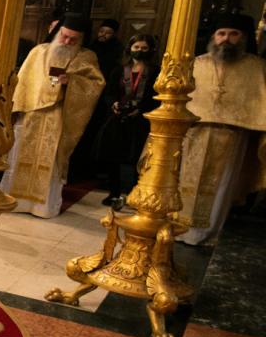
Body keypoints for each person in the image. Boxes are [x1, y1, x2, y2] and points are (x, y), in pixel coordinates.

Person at [0, 15, 105, 218]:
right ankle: (14, 200)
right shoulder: (38, 52)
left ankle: (42, 207)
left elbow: (95, 85)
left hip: (59, 115)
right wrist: (16, 110)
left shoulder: (86, 57)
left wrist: (71, 81)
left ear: (82, 39)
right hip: (30, 115)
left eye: (73, 39)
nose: (67, 42)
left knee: (50, 160)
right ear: (58, 32)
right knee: (20, 156)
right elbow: (23, 83)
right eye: (65, 36)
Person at [177, 13, 266, 245]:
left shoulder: (256, 68)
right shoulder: (196, 63)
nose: (226, 39)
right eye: (222, 33)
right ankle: (178, 228)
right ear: (214, 36)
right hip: (195, 132)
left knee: (221, 186)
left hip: (233, 135)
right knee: (185, 180)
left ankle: (207, 234)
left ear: (244, 38)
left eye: (233, 34)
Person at [93, 35, 158, 209]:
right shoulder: (119, 70)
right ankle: (114, 192)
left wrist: (141, 108)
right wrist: (113, 103)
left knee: (137, 159)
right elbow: (108, 93)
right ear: (130, 48)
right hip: (117, 119)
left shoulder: (155, 72)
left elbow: (157, 97)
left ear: (150, 50)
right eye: (136, 47)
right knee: (112, 156)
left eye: (144, 48)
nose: (140, 51)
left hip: (141, 121)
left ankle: (134, 194)